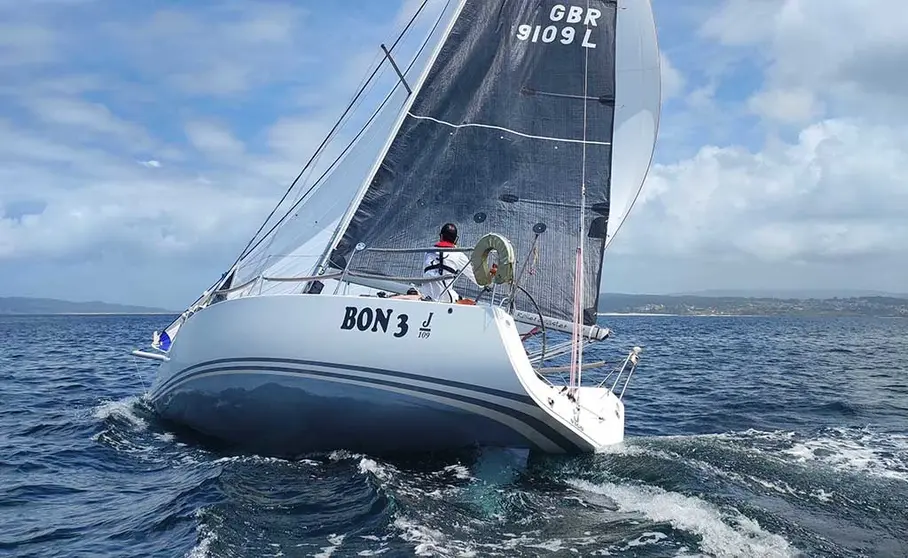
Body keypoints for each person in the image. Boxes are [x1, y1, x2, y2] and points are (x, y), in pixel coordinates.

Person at [421, 223, 479, 303]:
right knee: (468, 302)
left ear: (441, 236)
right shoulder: (459, 255)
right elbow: (477, 279)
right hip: (445, 299)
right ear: (455, 240)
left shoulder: (428, 252)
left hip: (425, 295)